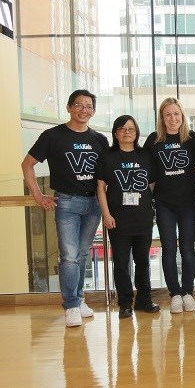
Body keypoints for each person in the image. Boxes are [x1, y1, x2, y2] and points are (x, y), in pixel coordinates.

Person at [21, 89, 109, 327]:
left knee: (81, 254)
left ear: (94, 111)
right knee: (69, 256)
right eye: (78, 105)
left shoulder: (100, 140)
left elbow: (106, 175)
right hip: (67, 203)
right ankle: (70, 305)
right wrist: (38, 196)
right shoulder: (52, 136)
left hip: (93, 204)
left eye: (88, 106)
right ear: (69, 107)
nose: (83, 110)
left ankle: (79, 299)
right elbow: (27, 165)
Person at [97, 115, 160, 319]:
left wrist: (147, 206)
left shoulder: (145, 156)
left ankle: (144, 299)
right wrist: (106, 214)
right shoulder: (108, 156)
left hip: (142, 218)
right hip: (118, 219)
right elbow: (101, 187)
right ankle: (125, 303)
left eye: (131, 129)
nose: (127, 132)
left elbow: (151, 184)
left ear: (136, 132)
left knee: (143, 262)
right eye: (122, 129)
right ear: (116, 133)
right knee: (122, 263)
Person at [143, 98, 195, 314]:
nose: (173, 118)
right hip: (165, 204)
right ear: (162, 118)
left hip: (188, 203)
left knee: (187, 249)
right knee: (168, 248)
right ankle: (175, 293)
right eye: (168, 114)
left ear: (182, 116)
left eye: (176, 114)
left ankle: (188, 293)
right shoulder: (154, 140)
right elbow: (148, 172)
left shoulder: (191, 139)